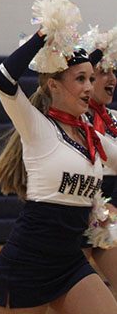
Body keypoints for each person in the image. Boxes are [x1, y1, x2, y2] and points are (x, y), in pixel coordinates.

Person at [0, 13, 117, 313]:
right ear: (54, 86)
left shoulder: (92, 136)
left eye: (91, 79)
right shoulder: (37, 127)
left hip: (70, 262)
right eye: (80, 79)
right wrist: (43, 35)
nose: (88, 87)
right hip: (29, 261)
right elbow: (3, 79)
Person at [86, 46, 117, 294]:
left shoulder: (114, 118)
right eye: (104, 71)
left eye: (114, 72)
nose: (113, 79)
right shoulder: (70, 119)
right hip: (75, 210)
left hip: (108, 215)